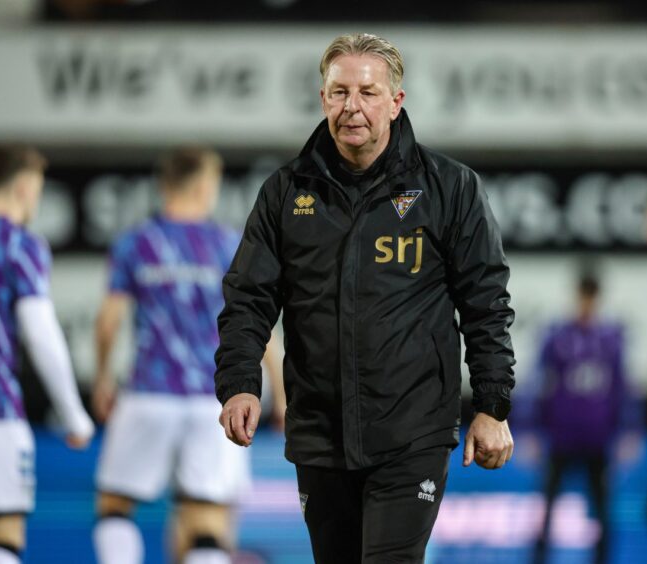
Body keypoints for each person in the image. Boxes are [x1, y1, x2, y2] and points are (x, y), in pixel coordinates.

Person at [215, 33, 515, 563]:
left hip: (412, 432)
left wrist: (492, 406)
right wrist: (240, 384)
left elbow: (485, 302)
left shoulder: (450, 188)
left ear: (396, 102)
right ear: (322, 98)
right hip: (320, 435)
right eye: (339, 92)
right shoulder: (285, 194)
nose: (352, 106)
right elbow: (248, 298)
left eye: (368, 92)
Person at [91, 147, 283, 564]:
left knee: (114, 505)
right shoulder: (228, 244)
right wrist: (284, 396)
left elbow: (108, 321)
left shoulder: (137, 242)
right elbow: (258, 327)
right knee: (208, 517)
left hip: (148, 392)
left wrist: (103, 378)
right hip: (212, 399)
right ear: (202, 186)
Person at [0, 145, 94, 564]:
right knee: (2, 529)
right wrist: (73, 413)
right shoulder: (18, 243)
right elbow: (42, 336)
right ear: (26, 187)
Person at [516, 269, 641, 564]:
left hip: (598, 437)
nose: (587, 304)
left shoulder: (611, 338)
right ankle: (539, 558)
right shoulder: (557, 335)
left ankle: (601, 559)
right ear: (577, 296)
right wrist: (528, 429)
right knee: (547, 504)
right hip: (561, 435)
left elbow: (623, 386)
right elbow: (536, 382)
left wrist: (629, 431)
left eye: (592, 297)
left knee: (601, 507)